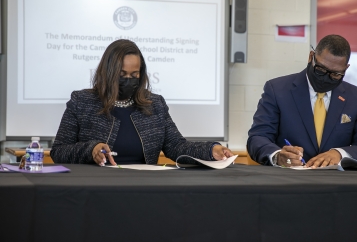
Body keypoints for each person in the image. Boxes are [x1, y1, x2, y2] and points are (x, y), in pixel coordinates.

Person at [51, 39, 233, 166]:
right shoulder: (82, 102)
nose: (128, 80)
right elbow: (58, 152)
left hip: (143, 188)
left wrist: (211, 150)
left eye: (134, 75)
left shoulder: (155, 104)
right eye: (121, 76)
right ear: (108, 74)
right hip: (96, 187)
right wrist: (91, 150)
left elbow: (177, 146)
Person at [247, 34, 357, 168]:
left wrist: (339, 154)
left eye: (335, 74)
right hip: (288, 181)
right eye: (321, 69)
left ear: (346, 68)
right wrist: (277, 156)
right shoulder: (277, 90)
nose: (325, 78)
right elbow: (257, 138)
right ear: (311, 57)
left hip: (337, 184)